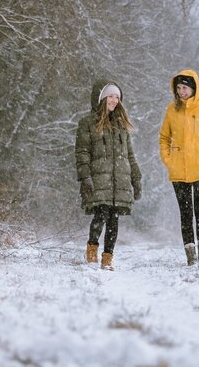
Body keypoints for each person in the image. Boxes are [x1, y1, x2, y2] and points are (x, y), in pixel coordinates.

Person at [158, 69, 199, 267]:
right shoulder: (172, 110)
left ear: (193, 88)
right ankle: (190, 256)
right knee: (185, 212)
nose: (181, 92)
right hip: (179, 170)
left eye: (185, 87)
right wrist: (168, 159)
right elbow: (164, 137)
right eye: (178, 88)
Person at [75, 79, 142, 271]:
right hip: (99, 179)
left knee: (114, 219)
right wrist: (85, 177)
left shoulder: (121, 126)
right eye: (110, 96)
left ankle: (107, 258)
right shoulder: (87, 123)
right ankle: (91, 252)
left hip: (119, 180)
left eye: (117, 97)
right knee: (100, 214)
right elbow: (82, 153)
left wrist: (136, 178)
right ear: (101, 98)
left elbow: (130, 154)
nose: (114, 100)